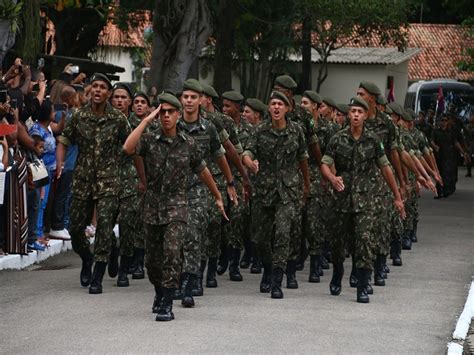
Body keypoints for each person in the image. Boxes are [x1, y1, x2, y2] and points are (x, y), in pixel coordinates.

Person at [123, 93, 227, 322]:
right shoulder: (150, 139)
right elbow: (128, 148)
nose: (166, 116)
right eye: (163, 112)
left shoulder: (188, 143)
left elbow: (203, 171)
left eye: (171, 112)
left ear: (178, 115)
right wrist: (146, 120)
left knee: (171, 255)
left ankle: (167, 303)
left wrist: (218, 196)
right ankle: (160, 293)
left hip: (177, 207)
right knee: (152, 261)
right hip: (152, 207)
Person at [320, 96, 405, 303]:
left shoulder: (373, 140)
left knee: (364, 241)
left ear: (365, 115)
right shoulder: (337, 139)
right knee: (339, 244)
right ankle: (338, 273)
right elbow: (324, 163)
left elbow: (385, 167)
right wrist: (332, 178)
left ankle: (362, 285)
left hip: (366, 200)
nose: (356, 115)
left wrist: (397, 196)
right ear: (349, 114)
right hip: (342, 199)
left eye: (360, 111)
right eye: (353, 111)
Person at [56, 73, 130, 294]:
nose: (98, 90)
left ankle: (98, 276)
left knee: (105, 226)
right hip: (83, 178)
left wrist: (132, 174)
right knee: (75, 227)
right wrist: (59, 164)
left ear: (108, 93)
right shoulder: (78, 116)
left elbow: (130, 146)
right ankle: (87, 258)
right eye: (94, 86)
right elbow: (64, 140)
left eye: (102, 87)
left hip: (109, 180)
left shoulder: (118, 119)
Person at [242, 91, 310, 299]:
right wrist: (250, 164)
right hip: (264, 190)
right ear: (269, 108)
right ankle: (268, 268)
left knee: (283, 233)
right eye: (273, 104)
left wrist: (307, 184)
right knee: (260, 237)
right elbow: (247, 153)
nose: (277, 107)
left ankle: (277, 280)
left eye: (281, 104)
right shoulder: (259, 130)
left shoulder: (296, 131)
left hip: (288, 191)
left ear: (288, 108)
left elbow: (303, 158)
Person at [177, 79, 237, 306]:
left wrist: (230, 181)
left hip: (200, 189)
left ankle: (190, 283)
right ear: (181, 99)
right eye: (186, 97)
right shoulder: (172, 124)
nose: (190, 101)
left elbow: (221, 156)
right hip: (175, 189)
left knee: (193, 233)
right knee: (177, 238)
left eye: (194, 97)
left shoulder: (208, 128)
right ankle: (181, 277)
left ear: (201, 101)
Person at [431, 113, 469, 198]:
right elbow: (432, 141)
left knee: (446, 174)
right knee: (438, 174)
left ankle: (445, 190)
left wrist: (463, 152)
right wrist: (435, 146)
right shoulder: (436, 131)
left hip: (449, 156)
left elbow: (456, 143)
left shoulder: (451, 133)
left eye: (445, 120)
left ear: (448, 122)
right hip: (439, 156)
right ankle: (439, 192)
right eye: (442, 120)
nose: (444, 122)